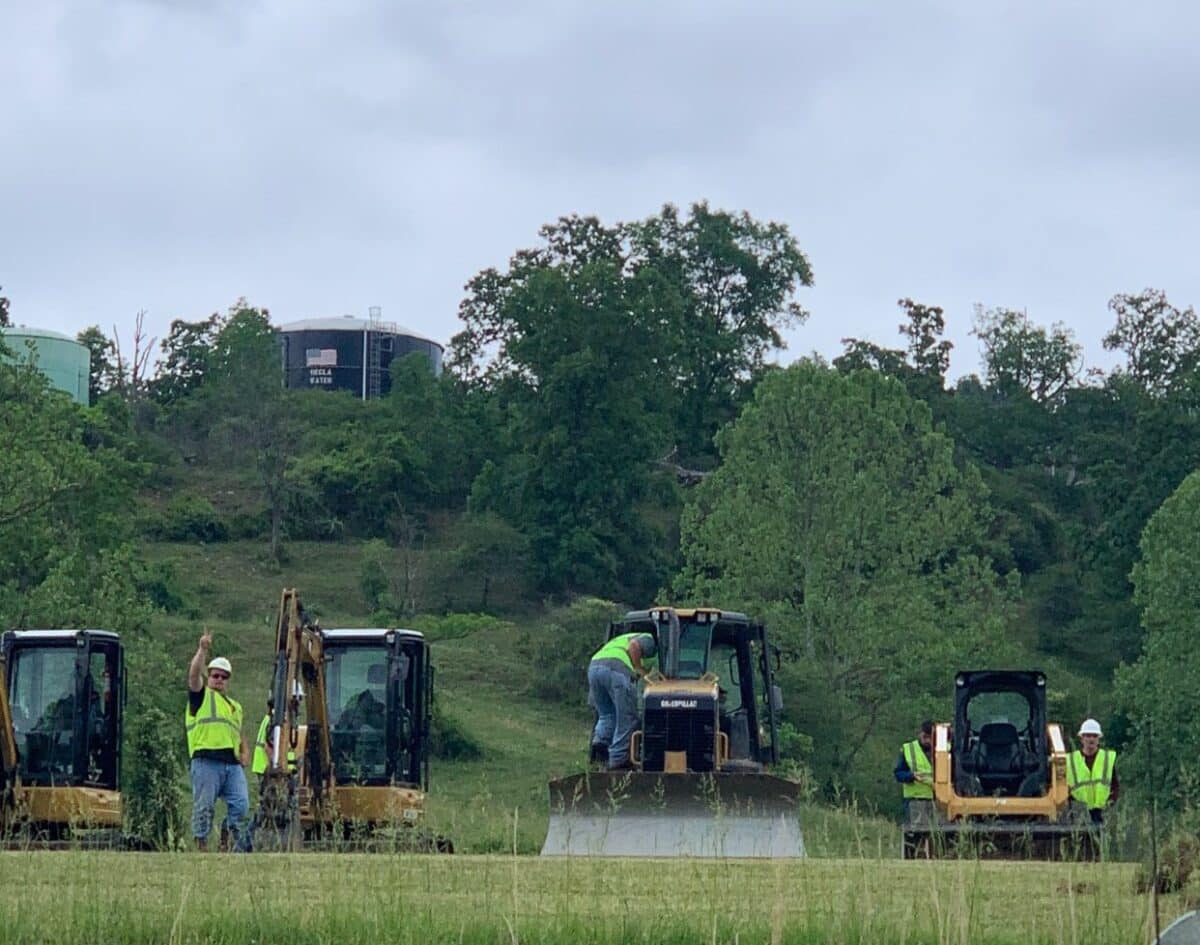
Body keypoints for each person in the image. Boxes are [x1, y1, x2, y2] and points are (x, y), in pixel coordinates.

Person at [186, 630, 250, 852]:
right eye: (215, 676)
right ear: (209, 676)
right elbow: (193, 676)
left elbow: (238, 731)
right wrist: (202, 650)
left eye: (224, 677)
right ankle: (201, 845)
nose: (219, 680)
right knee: (204, 807)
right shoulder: (200, 695)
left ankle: (227, 839)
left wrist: (245, 752)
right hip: (206, 760)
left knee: (241, 805)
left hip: (231, 765)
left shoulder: (235, 706)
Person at [588, 631, 657, 771]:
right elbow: (634, 646)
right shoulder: (650, 640)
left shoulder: (621, 638)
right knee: (627, 718)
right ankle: (619, 762)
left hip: (594, 667)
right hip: (616, 669)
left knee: (607, 714)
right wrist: (639, 669)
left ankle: (599, 751)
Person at [1067, 718, 1118, 824]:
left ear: (1098, 739)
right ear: (1082, 738)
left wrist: (1110, 803)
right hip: (1079, 812)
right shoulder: (1071, 760)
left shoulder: (1106, 759)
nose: (1091, 739)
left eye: (1094, 736)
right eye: (1088, 736)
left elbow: (1114, 785)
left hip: (1101, 813)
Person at [894, 720, 935, 819]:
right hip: (915, 801)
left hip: (940, 800)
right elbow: (898, 773)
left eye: (931, 738)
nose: (928, 741)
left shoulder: (944, 749)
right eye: (925, 737)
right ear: (920, 733)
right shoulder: (908, 749)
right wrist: (911, 776)